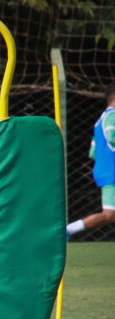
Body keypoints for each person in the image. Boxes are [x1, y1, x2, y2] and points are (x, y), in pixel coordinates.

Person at [67, 82, 115, 237]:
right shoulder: (112, 116)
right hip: (112, 172)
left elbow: (93, 152)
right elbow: (112, 136)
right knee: (109, 215)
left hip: (105, 169)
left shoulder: (99, 120)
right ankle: (68, 230)